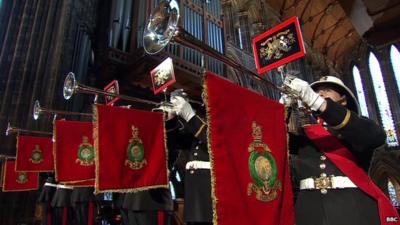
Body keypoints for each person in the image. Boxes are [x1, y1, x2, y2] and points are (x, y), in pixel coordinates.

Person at [282, 75, 399, 225]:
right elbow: (277, 145)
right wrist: (283, 110)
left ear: (343, 100)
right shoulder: (306, 135)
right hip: (309, 213)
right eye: (315, 91)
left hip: (351, 211)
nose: (320, 94)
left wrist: (318, 102)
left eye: (326, 90)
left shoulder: (357, 126)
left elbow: (376, 137)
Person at [168, 89, 213, 225]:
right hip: (194, 193)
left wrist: (190, 117)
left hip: (209, 192)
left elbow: (216, 143)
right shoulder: (201, 124)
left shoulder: (227, 121)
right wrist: (172, 116)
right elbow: (175, 142)